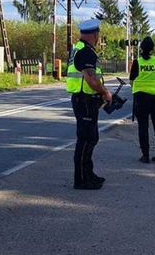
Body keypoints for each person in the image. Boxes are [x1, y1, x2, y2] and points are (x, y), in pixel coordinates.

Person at [66, 19, 112, 190]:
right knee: (86, 139)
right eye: (98, 34)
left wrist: (101, 91)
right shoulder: (86, 52)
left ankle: (88, 173)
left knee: (90, 137)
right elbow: (91, 79)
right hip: (84, 99)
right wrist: (104, 92)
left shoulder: (79, 48)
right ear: (95, 34)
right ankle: (81, 179)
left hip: (83, 99)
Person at [129, 36, 155, 163]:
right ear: (152, 49)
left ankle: (145, 155)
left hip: (141, 98)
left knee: (143, 127)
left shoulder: (137, 62)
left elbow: (131, 80)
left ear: (141, 48)